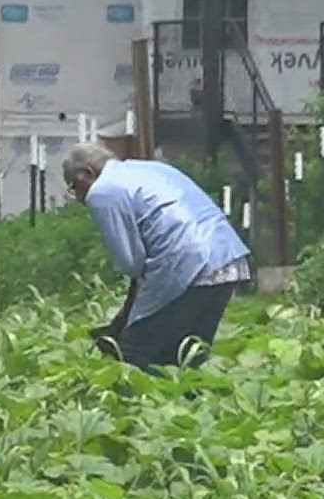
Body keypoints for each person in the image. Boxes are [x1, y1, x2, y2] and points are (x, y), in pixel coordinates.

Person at [60, 142, 250, 373]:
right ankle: (191, 404)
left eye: (75, 186)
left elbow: (131, 263)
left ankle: (135, 406)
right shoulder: (150, 169)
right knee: (187, 354)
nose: (79, 196)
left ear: (89, 172)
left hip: (187, 264)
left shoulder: (103, 190)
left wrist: (126, 321)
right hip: (227, 258)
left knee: (135, 353)